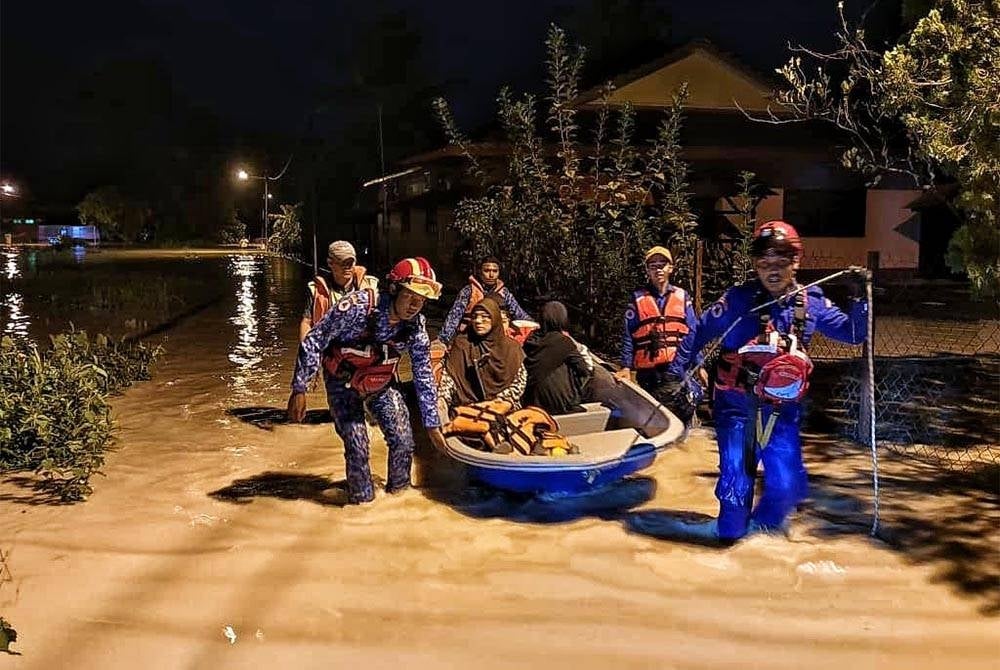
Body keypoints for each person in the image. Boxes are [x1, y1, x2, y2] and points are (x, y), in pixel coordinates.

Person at [668, 221, 869, 541]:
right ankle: (728, 545)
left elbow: (855, 334)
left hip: (782, 411)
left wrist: (860, 298)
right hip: (736, 407)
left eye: (781, 262)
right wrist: (677, 375)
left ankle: (761, 542)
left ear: (796, 261)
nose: (772, 270)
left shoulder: (810, 303)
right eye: (764, 263)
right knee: (737, 484)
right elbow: (699, 331)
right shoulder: (738, 300)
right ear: (754, 265)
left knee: (789, 485)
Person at [287, 257, 448, 504]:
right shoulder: (356, 306)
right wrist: (300, 390)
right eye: (410, 296)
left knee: (404, 441)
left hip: (380, 383)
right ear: (394, 289)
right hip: (342, 383)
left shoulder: (415, 328)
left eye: (422, 300)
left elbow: (424, 374)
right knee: (358, 446)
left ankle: (399, 501)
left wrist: (431, 425)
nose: (415, 305)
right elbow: (314, 340)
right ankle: (362, 505)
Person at [616, 246, 699, 395]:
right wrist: (625, 367)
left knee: (680, 407)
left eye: (662, 265)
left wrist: (699, 364)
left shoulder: (682, 296)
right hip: (649, 371)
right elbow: (628, 334)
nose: (658, 270)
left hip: (677, 367)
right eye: (653, 266)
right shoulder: (638, 299)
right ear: (647, 270)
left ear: (670, 268)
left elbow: (693, 332)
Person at [438, 296, 526, 409]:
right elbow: (449, 378)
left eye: (485, 317)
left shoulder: (511, 348)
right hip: (467, 408)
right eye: (475, 317)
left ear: (495, 319)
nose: (478, 321)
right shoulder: (462, 344)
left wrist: (498, 402)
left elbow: (518, 382)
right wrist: (442, 400)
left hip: (503, 407)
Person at [438, 256, 531, 345]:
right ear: (479, 272)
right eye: (486, 271)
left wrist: (532, 325)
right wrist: (443, 339)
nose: (491, 275)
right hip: (471, 335)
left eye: (495, 271)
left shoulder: (504, 292)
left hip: (498, 337)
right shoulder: (468, 291)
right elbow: (454, 317)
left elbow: (520, 314)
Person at [522, 301, 593, 415]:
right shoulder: (563, 342)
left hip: (532, 400)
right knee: (572, 367)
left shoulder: (531, 339)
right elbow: (584, 369)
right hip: (559, 403)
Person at [299, 240, 379, 342]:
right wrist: (305, 350)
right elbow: (307, 322)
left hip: (361, 348)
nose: (347, 267)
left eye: (350, 262)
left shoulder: (371, 286)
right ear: (330, 263)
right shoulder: (315, 290)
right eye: (342, 262)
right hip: (329, 346)